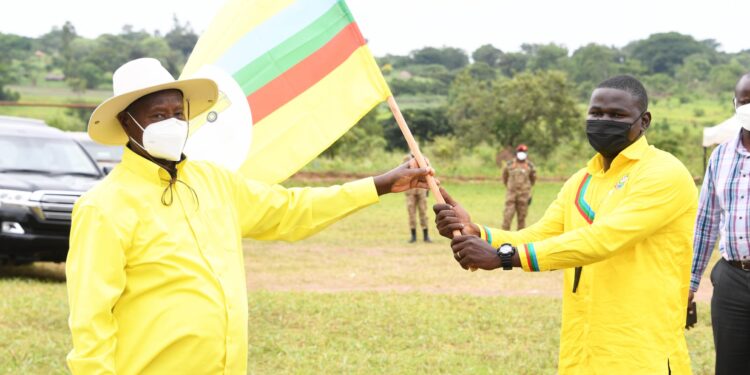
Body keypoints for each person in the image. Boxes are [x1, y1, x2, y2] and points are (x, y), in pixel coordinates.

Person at [65, 58, 434, 375]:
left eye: (178, 114)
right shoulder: (104, 207)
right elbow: (90, 323)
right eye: (158, 116)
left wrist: (380, 184)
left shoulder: (213, 181)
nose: (173, 123)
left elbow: (291, 210)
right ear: (128, 125)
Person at [434, 75, 697, 374]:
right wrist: (477, 232)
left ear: (644, 121)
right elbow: (540, 234)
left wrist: (505, 258)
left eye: (616, 115)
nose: (603, 120)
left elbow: (602, 239)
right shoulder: (581, 180)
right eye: (596, 113)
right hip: (583, 345)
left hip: (640, 349)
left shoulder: (663, 173)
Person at [690, 73, 750, 375]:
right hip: (732, 280)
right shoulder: (720, 157)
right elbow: (706, 223)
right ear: (735, 103)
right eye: (746, 100)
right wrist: (690, 282)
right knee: (730, 366)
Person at [501, 144, 536, 230]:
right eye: (520, 152)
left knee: (521, 219)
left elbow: (533, 179)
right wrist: (509, 187)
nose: (521, 154)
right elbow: (505, 177)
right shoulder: (509, 165)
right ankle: (503, 238)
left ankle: (520, 241)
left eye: (523, 152)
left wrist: (526, 189)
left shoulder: (530, 166)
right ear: (517, 153)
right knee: (507, 217)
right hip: (511, 196)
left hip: (524, 196)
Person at [404, 155, 431, 243]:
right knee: (411, 213)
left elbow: (429, 174)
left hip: (421, 190)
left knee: (423, 212)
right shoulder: (406, 159)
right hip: (410, 190)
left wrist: (428, 190)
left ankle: (426, 236)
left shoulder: (424, 159)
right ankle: (413, 236)